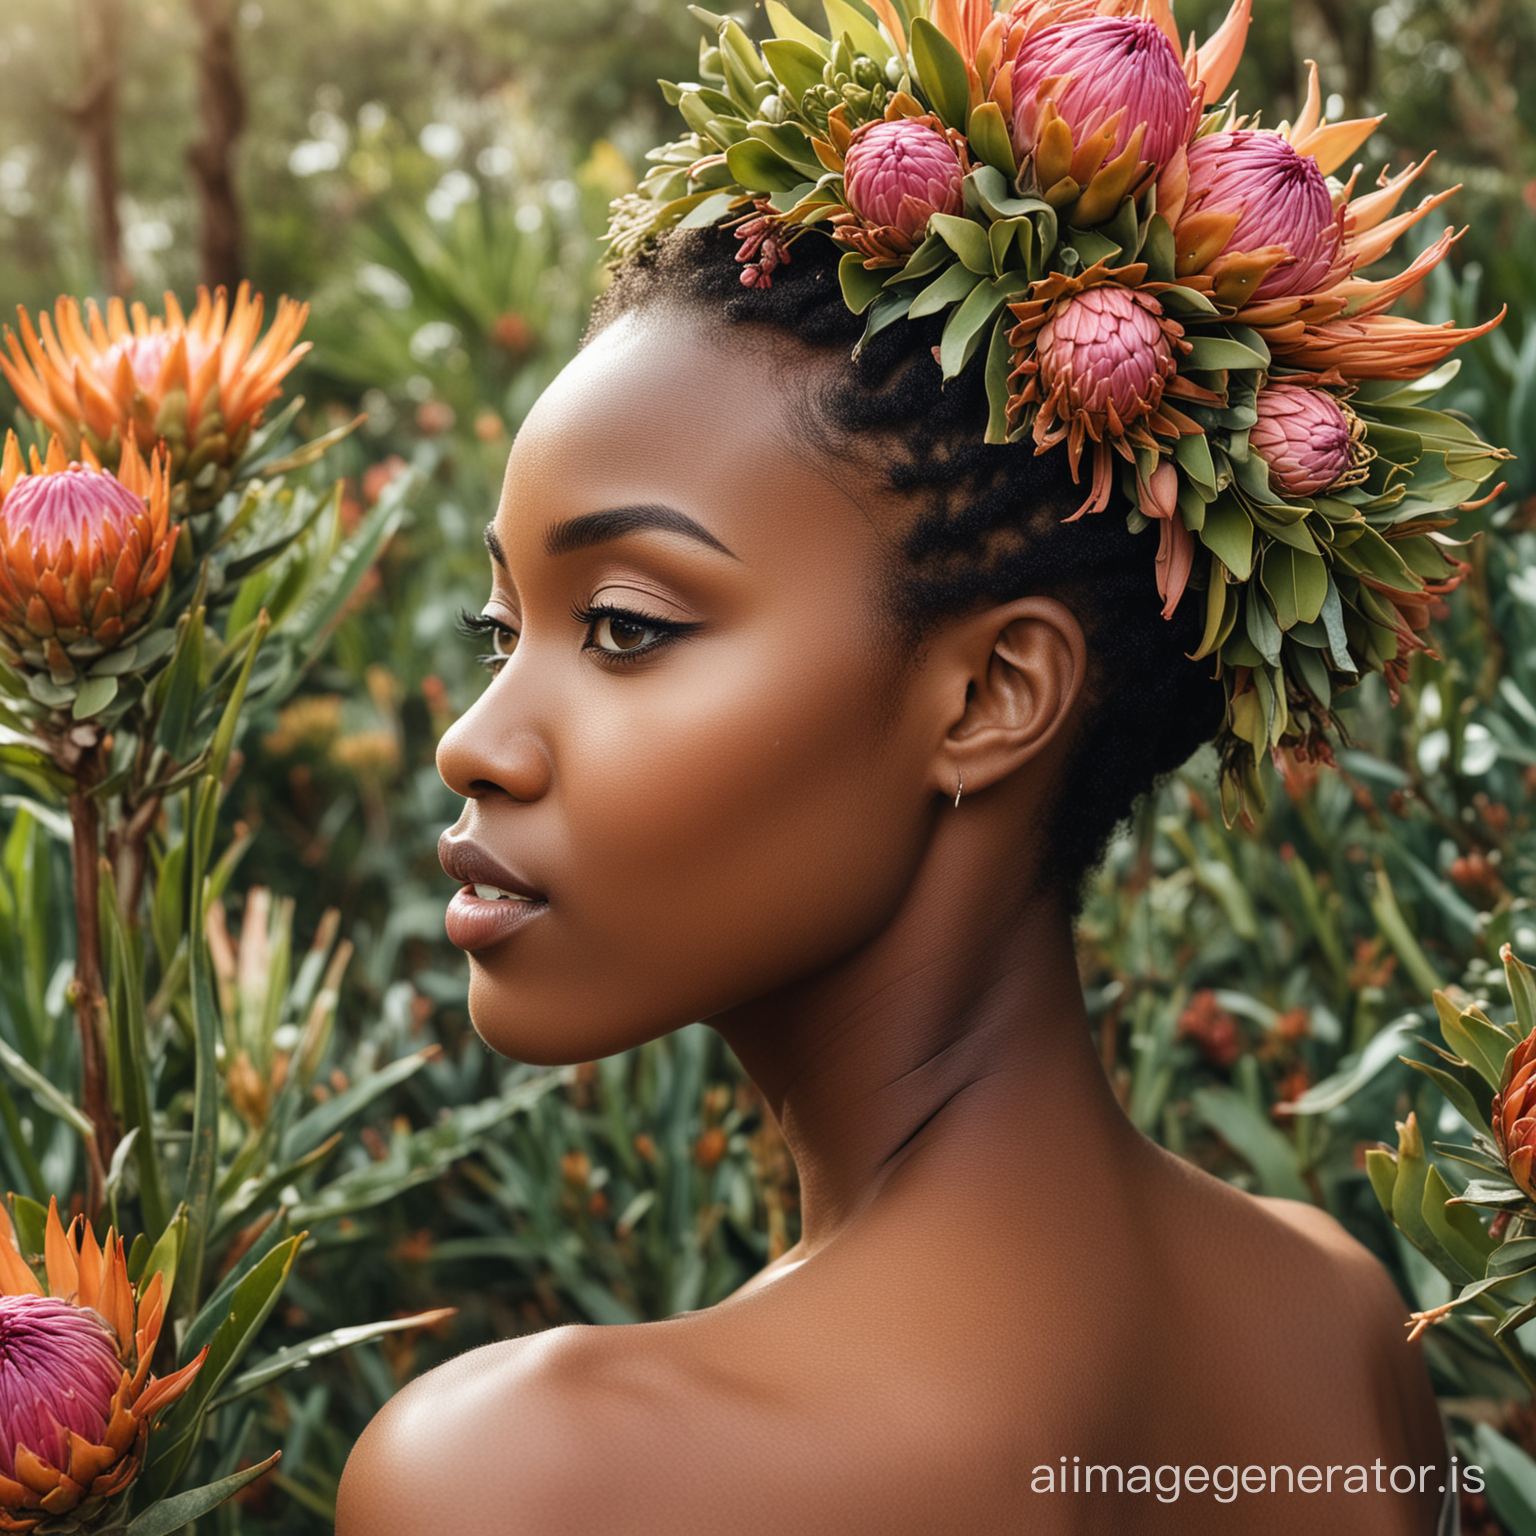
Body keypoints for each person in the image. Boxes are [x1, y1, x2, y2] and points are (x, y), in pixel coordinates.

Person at [339, 4, 1502, 1529]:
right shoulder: (1338, 1325)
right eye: (507, 628)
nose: (473, 743)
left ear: (990, 699)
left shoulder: (532, 1479)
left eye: (622, 627)